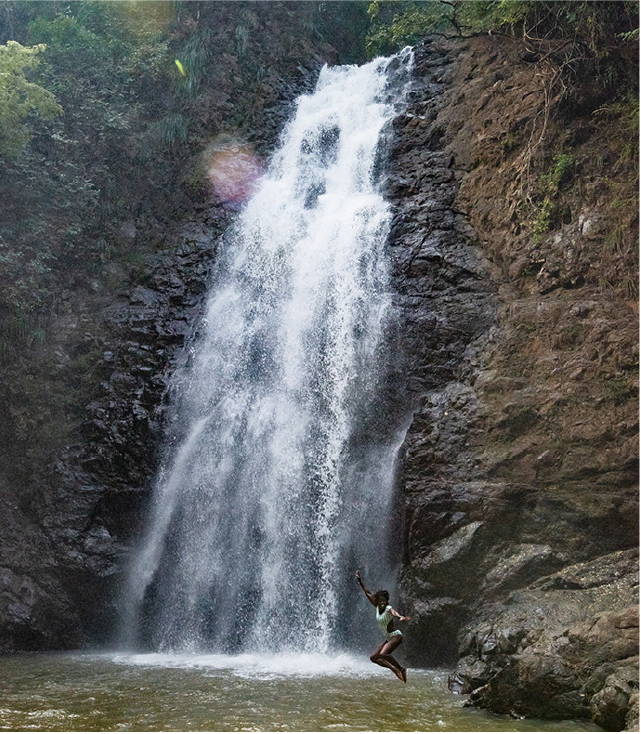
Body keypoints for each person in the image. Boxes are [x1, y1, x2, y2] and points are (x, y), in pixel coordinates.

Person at [355, 569, 411, 683]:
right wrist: (360, 582)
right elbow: (367, 593)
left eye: (384, 601)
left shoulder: (388, 608)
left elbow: (394, 612)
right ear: (377, 600)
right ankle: (393, 669)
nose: (382, 603)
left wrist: (400, 616)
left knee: (383, 654)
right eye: (380, 601)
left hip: (396, 636)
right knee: (374, 658)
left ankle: (401, 669)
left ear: (386, 601)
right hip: (388, 638)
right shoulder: (377, 606)